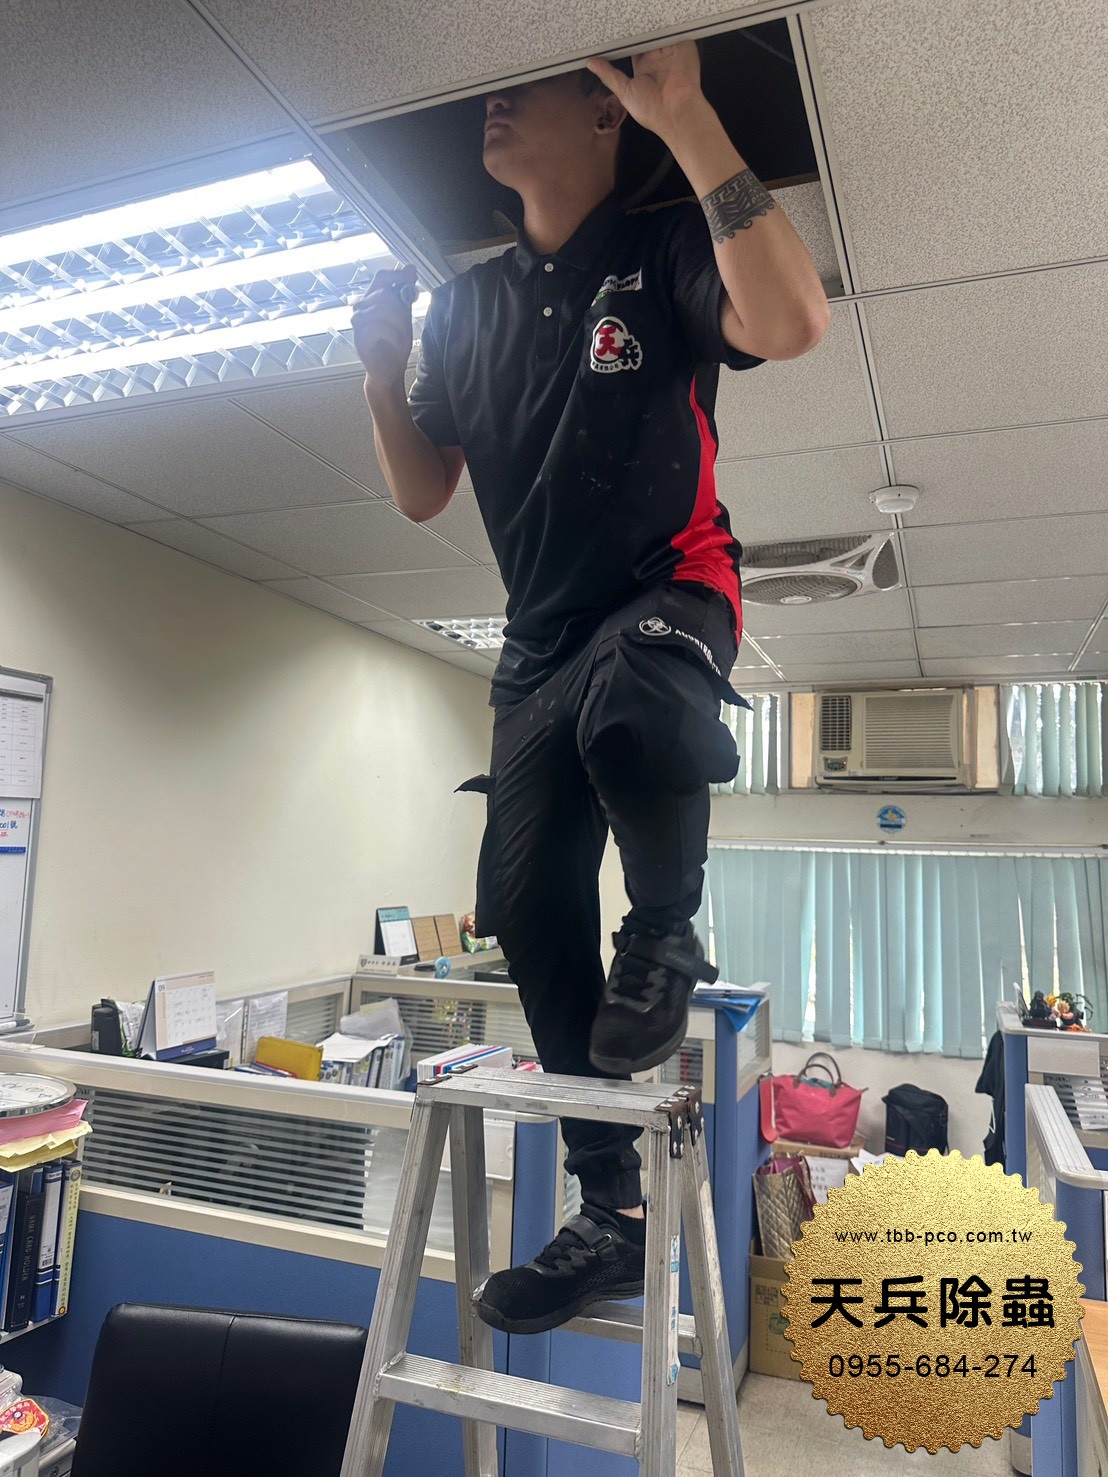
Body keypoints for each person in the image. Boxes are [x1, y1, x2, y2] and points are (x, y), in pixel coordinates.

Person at [353, 40, 829, 1335]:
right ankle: (611, 1210)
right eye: (491, 85)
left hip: (672, 585)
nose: (495, 96)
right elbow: (422, 487)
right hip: (537, 641)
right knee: (520, 899)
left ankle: (664, 929)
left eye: (536, 81)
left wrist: (688, 118)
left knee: (636, 706)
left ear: (605, 118)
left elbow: (793, 322)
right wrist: (381, 365)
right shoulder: (468, 307)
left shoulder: (663, 244)